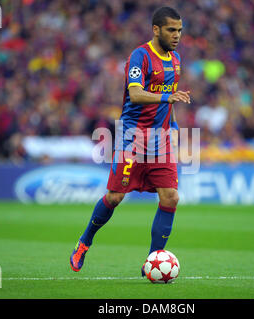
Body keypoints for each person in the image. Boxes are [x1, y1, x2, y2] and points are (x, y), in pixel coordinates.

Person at [70, 6, 191, 276]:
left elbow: (167, 99)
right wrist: (166, 98)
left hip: (159, 140)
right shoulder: (140, 56)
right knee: (115, 197)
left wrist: (171, 124)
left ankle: (152, 261)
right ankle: (84, 242)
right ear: (156, 29)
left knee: (170, 198)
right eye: (171, 29)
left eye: (180, 30)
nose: (177, 35)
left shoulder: (176, 59)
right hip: (132, 137)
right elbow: (135, 94)